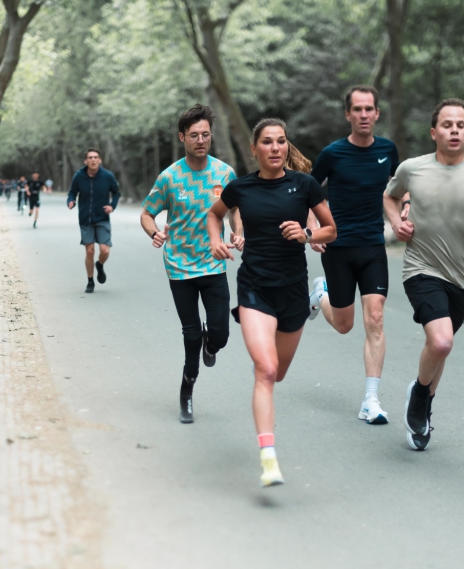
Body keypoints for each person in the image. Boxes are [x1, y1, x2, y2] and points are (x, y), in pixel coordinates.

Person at [208, 118, 336, 487]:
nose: (276, 148)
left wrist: (307, 233)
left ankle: (314, 299)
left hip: (293, 290)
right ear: (255, 149)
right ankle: (269, 458)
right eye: (267, 142)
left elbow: (331, 229)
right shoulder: (241, 188)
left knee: (278, 372)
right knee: (265, 370)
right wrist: (217, 240)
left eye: (281, 141)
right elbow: (214, 214)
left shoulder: (305, 185)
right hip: (255, 288)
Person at [383, 98, 464, 451]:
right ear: (434, 131)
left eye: (460, 125)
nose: (453, 130)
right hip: (421, 268)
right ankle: (421, 400)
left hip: (461, 277)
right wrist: (397, 223)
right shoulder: (412, 168)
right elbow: (390, 197)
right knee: (441, 341)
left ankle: (421, 394)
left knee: (440, 347)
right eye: (447, 124)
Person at [141, 104, 241, 423]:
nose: (201, 140)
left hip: (213, 265)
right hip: (180, 268)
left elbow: (236, 209)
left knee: (220, 333)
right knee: (190, 334)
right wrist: (155, 232)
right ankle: (187, 392)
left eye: (206, 135)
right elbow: (146, 213)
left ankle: (212, 345)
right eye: (194, 135)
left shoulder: (224, 174)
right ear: (182, 137)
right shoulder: (170, 177)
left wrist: (238, 232)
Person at [306, 85, 399, 425]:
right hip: (338, 248)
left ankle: (370, 400)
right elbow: (308, 193)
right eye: (357, 109)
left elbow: (399, 190)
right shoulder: (333, 153)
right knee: (345, 326)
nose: (363, 115)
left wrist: (405, 216)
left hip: (373, 246)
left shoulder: (388, 150)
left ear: (376, 113)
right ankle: (320, 293)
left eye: (369, 109)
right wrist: (312, 229)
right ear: (348, 114)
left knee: (375, 319)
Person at [68, 148, 120, 293]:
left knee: (105, 250)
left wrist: (112, 206)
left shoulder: (107, 176)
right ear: (86, 161)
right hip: (85, 219)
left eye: (95, 157)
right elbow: (72, 192)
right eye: (90, 157)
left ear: (99, 160)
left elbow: (116, 193)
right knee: (89, 251)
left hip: (102, 218)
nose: (93, 159)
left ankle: (100, 265)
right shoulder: (79, 176)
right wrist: (71, 201)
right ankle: (90, 281)